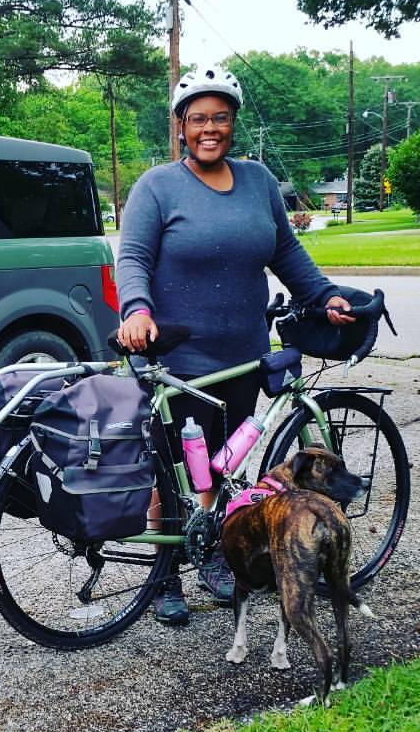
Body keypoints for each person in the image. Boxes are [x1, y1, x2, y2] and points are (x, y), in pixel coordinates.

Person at [115, 65, 355, 626]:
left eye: (219, 117)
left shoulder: (258, 183)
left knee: (222, 467)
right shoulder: (157, 186)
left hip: (244, 353)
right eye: (197, 118)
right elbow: (133, 260)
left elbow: (287, 254)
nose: (209, 128)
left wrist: (323, 298)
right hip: (178, 360)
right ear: (180, 126)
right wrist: (137, 311)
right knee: (173, 473)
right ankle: (164, 575)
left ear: (233, 123)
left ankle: (216, 559)